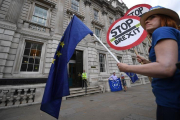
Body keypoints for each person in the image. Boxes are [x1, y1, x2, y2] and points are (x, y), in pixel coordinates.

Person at [117, 6, 180, 120]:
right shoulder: (170, 32)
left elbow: (167, 68)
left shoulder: (162, 30)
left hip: (172, 99)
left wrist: (127, 68)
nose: (146, 20)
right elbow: (172, 63)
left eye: (152, 17)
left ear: (164, 18)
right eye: (146, 18)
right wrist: (147, 62)